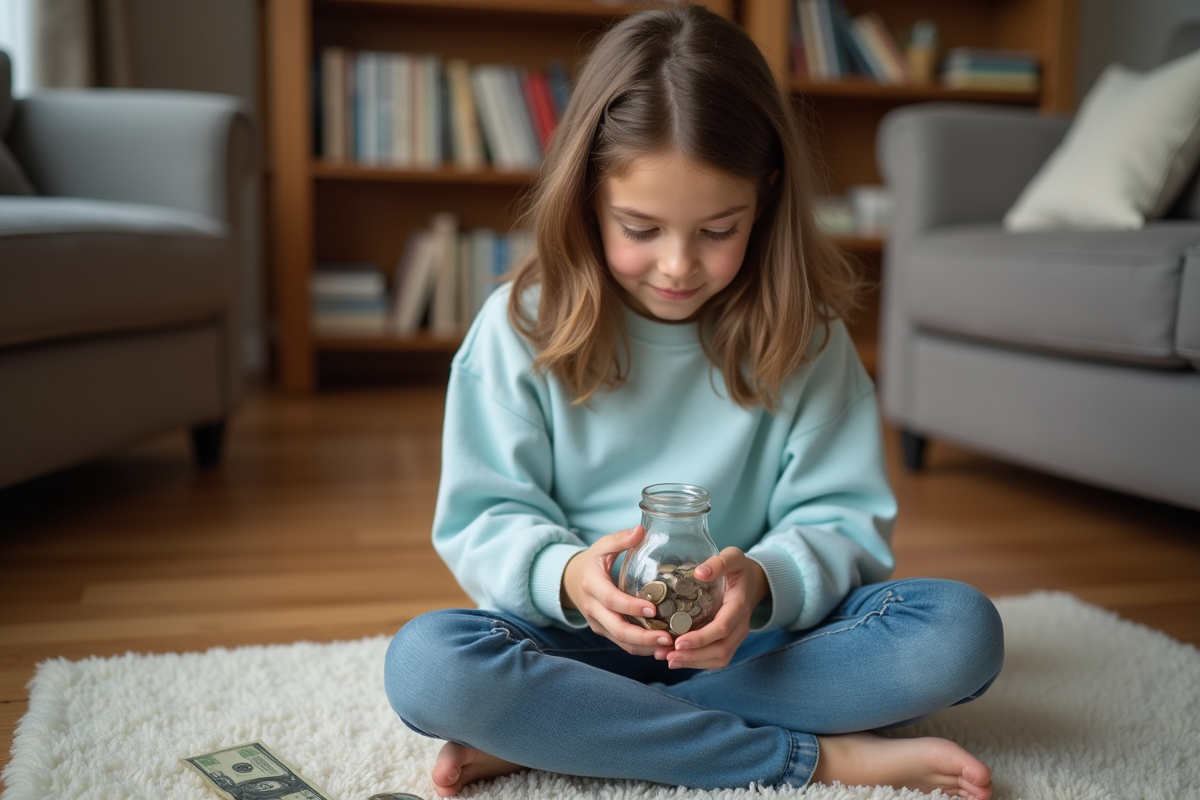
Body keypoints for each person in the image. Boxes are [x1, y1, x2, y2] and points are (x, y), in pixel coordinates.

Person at [384, 4, 1004, 798]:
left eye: (719, 229)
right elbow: (485, 518)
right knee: (428, 666)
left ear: (766, 197)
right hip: (574, 639)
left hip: (753, 644)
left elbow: (844, 522)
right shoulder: (517, 329)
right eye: (639, 227)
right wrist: (572, 576)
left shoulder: (807, 337)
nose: (677, 266)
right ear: (587, 200)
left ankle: (575, 733)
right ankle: (809, 756)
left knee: (958, 633)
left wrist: (764, 582)